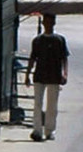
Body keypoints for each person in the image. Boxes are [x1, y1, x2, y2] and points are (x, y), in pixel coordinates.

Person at [28, 11, 69, 143]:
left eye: (50, 22)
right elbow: (32, 58)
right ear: (43, 23)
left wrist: (65, 73)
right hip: (39, 75)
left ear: (54, 23)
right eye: (45, 22)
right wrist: (28, 74)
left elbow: (64, 58)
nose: (47, 24)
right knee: (37, 104)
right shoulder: (38, 40)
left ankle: (50, 131)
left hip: (54, 76)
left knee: (52, 105)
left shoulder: (59, 40)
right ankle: (37, 131)